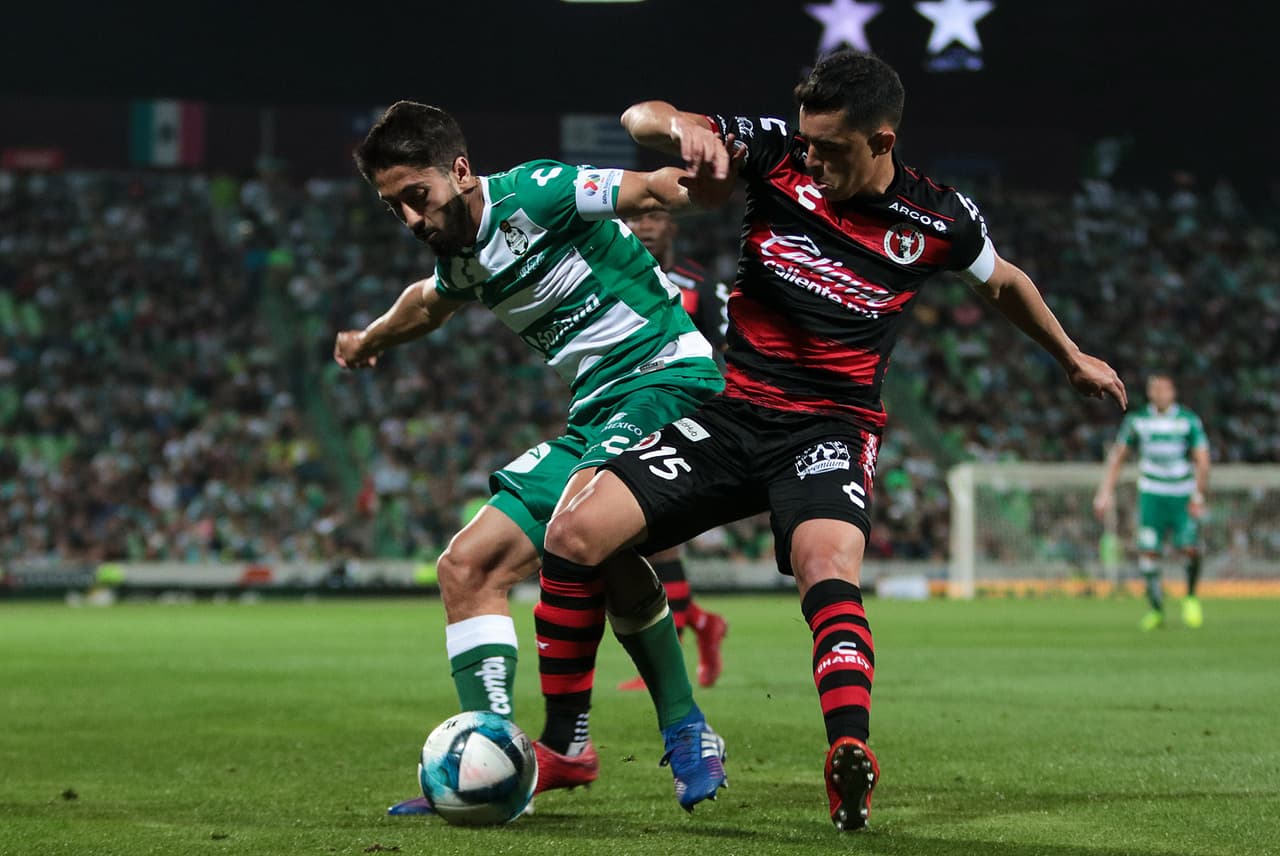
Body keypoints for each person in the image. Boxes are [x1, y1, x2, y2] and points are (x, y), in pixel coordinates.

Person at [528, 48, 1127, 831]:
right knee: (573, 533)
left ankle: (851, 757)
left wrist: (1072, 356)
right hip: (731, 413)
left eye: (833, 148)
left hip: (831, 427)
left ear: (882, 141)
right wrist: (681, 128)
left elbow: (1005, 281)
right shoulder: (778, 151)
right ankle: (566, 744)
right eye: (808, 142)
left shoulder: (937, 217)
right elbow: (641, 117)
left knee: (824, 568)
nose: (813, 158)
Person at [333, 101, 730, 814]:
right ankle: (497, 757)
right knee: (467, 566)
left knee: (582, 521)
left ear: (458, 170)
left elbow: (645, 190)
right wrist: (369, 340)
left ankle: (683, 730)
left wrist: (702, 176)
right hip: (596, 412)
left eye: (416, 197)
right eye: (394, 208)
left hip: (668, 379)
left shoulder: (536, 191)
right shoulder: (460, 257)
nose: (411, 219)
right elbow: (427, 304)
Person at [618, 209, 730, 691]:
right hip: (626, 408)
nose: (644, 225)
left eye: (654, 217)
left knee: (654, 536)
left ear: (672, 227)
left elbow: (727, 344)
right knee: (639, 540)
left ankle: (676, 647)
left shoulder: (698, 283)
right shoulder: (613, 271)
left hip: (683, 412)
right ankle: (699, 624)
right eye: (635, 216)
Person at [1094, 374, 1210, 630]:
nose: (1160, 394)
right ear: (1149, 393)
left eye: (1165, 389)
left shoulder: (1187, 421)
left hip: (1181, 493)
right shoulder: (1138, 422)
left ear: (1173, 392)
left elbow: (1202, 459)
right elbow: (1118, 458)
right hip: (1152, 494)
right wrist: (1105, 492)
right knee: (1148, 552)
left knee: (1189, 548)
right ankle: (1156, 609)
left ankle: (1190, 597)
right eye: (1155, 389)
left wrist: (1199, 495)